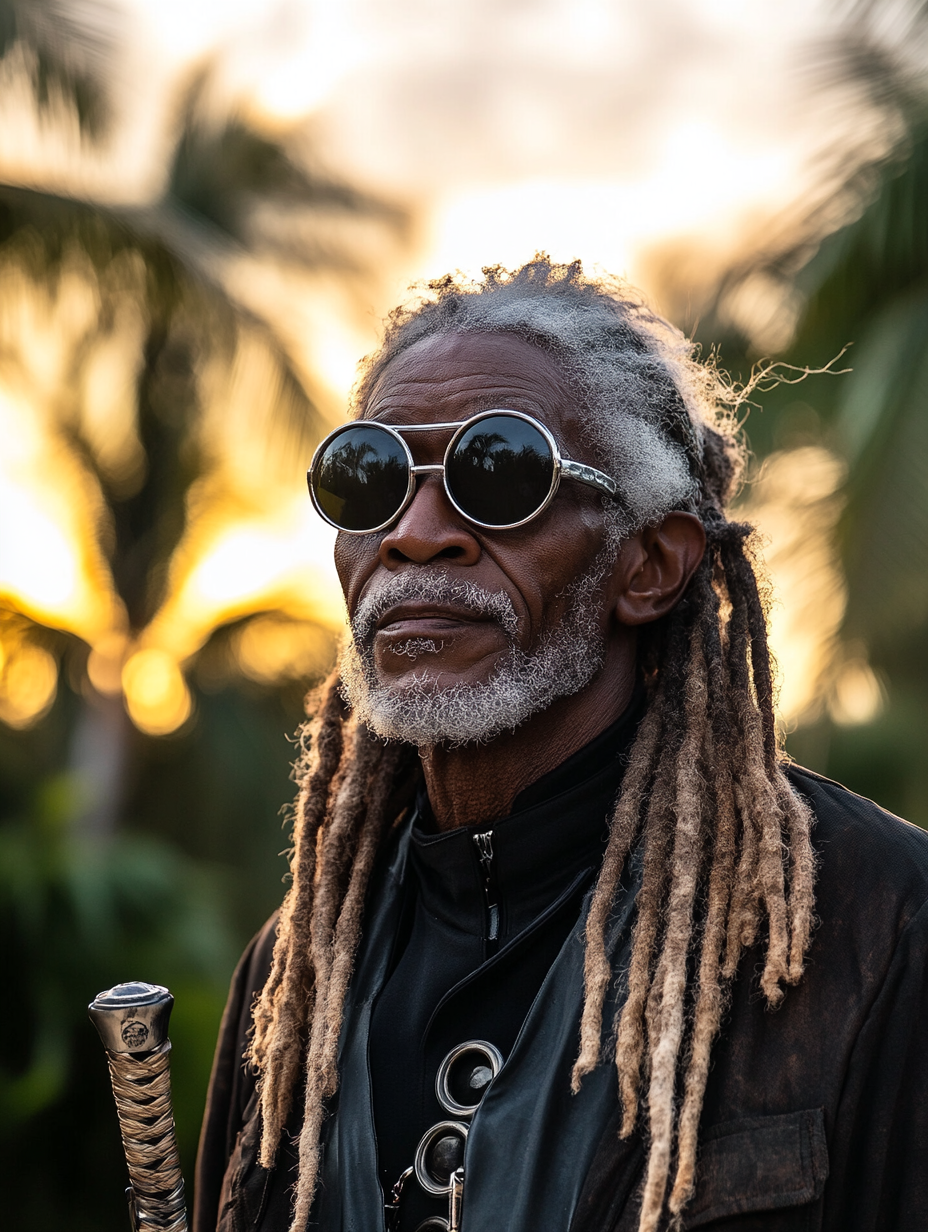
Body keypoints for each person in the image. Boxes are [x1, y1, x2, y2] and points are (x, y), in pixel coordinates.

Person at [194, 258, 928, 1232]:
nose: (414, 534)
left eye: (496, 471)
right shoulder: (294, 977)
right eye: (366, 477)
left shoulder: (874, 924)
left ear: (650, 564)